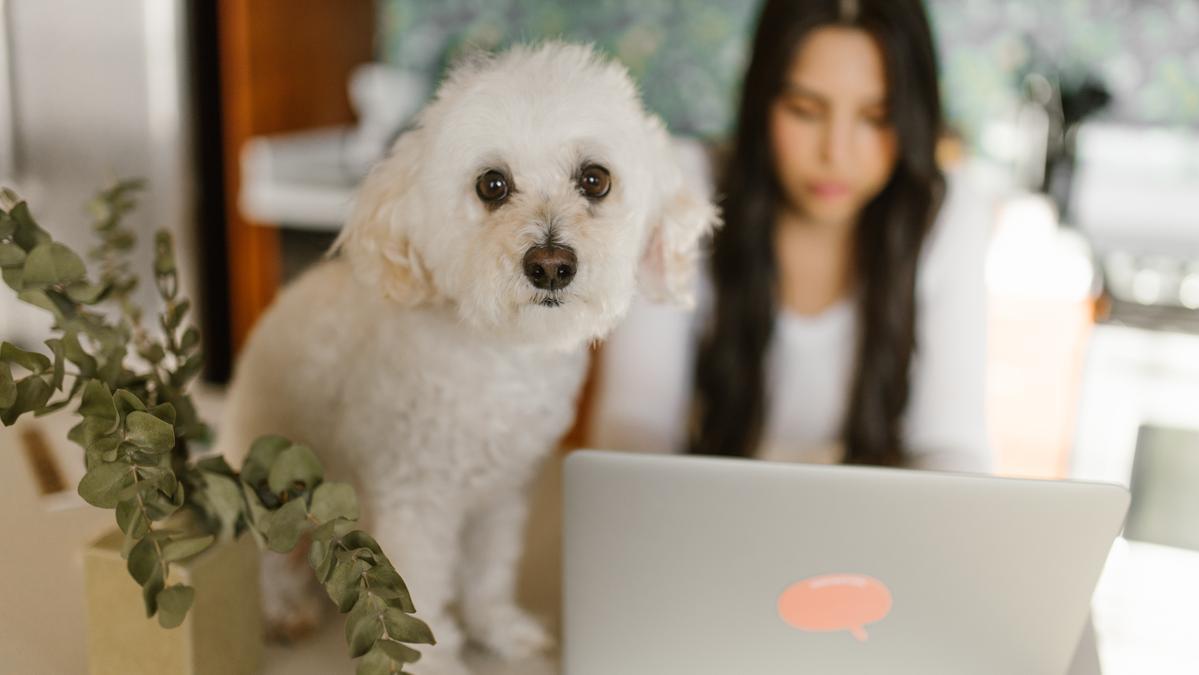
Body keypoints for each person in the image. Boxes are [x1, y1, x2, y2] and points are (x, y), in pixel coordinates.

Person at [587, 0, 994, 473]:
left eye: (876, 118)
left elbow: (952, 443)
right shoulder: (680, 192)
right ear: (762, 102)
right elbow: (635, 423)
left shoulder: (949, 213)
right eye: (805, 111)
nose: (835, 153)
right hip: (705, 526)